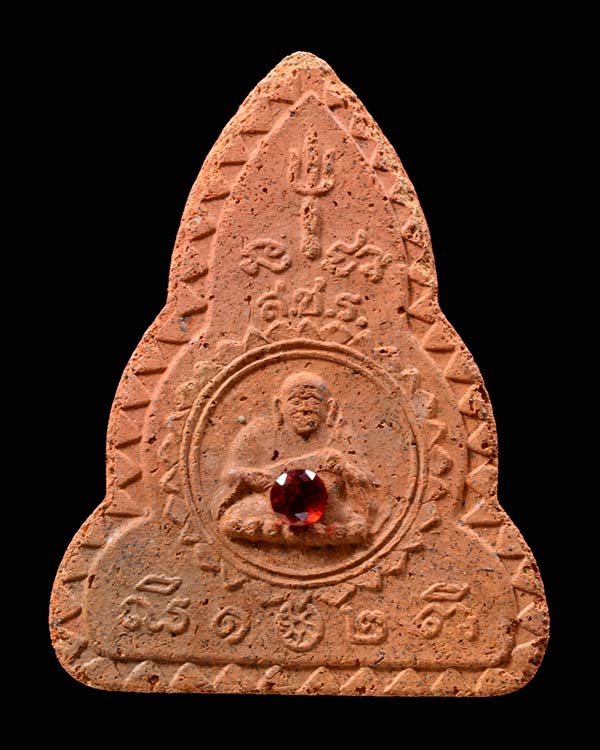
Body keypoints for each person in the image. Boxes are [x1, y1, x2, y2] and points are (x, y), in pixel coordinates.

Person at [217, 372, 376, 545]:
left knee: (355, 526)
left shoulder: (340, 435)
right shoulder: (258, 432)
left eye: (312, 401)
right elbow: (229, 475)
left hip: (329, 507)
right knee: (236, 519)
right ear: (279, 406)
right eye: (296, 402)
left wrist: (345, 468)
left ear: (329, 407)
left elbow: (366, 481)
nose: (304, 409)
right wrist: (249, 475)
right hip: (267, 503)